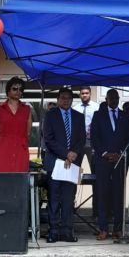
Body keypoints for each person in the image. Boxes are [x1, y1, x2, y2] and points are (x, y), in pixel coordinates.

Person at [43, 87, 85, 243]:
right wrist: (65, 153)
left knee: (68, 198)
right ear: (58, 99)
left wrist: (73, 153)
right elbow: (48, 139)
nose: (65, 100)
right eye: (62, 98)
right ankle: (53, 231)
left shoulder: (79, 117)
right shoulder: (50, 115)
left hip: (72, 164)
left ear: (72, 100)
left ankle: (66, 231)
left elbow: (82, 139)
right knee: (54, 198)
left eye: (68, 98)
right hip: (55, 162)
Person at [90, 89, 129, 241]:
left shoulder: (125, 116)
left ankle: (117, 229)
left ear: (118, 99)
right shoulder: (98, 115)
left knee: (118, 195)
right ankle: (103, 229)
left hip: (119, 161)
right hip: (102, 161)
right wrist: (105, 153)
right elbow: (94, 137)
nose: (113, 100)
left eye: (116, 97)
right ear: (106, 99)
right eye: (111, 97)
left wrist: (120, 153)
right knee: (102, 195)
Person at [0, 77, 32, 173]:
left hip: (21, 153)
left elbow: (28, 134)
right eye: (15, 89)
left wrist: (18, 145)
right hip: (2, 152)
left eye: (21, 89)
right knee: (0, 181)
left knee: (18, 182)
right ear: (8, 91)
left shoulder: (27, 110)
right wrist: (3, 144)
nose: (18, 91)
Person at [72, 86, 100, 214]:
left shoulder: (96, 107)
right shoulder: (75, 108)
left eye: (86, 93)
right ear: (79, 95)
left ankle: (97, 209)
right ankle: (71, 204)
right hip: (78, 143)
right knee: (73, 173)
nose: (84, 95)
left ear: (90, 94)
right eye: (82, 93)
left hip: (92, 142)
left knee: (96, 174)